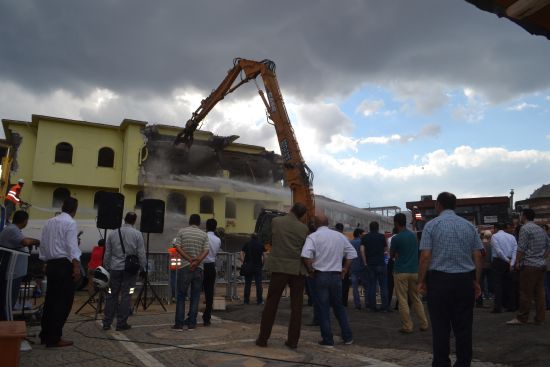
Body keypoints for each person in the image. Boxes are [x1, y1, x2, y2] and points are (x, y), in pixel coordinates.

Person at [417, 192, 483, 367]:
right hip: (464, 281)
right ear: (455, 206)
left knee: (440, 327)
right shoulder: (469, 226)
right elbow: (477, 255)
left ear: (438, 205)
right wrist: (476, 281)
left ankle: (441, 362)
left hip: (439, 281)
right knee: (464, 327)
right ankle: (463, 363)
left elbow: (425, 256)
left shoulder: (431, 226)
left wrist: (421, 281)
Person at [256, 202, 309, 349]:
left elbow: (271, 240)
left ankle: (263, 339)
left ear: (291, 210)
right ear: (302, 215)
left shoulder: (276, 221)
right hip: (297, 269)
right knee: (297, 306)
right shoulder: (304, 228)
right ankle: (293, 341)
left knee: (271, 304)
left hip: (279, 267)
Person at [301, 214, 356, 347]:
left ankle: (328, 340)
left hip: (320, 276)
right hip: (336, 276)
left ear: (315, 224)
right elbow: (352, 254)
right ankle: (347, 337)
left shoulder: (313, 237)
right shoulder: (339, 236)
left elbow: (305, 255)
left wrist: (310, 270)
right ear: (328, 222)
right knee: (339, 307)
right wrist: (345, 269)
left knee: (323, 308)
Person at [38, 197, 81, 348]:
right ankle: (54, 338)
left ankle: (45, 335)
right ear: (74, 209)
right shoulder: (70, 222)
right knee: (63, 303)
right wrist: (76, 267)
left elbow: (43, 244)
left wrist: (44, 262)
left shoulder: (49, 222)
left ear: (63, 206)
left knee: (50, 301)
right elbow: (71, 247)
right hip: (64, 265)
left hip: (51, 265)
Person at [102, 212, 146, 331]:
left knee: (111, 294)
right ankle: (121, 323)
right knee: (127, 295)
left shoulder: (113, 233)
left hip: (114, 269)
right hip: (130, 270)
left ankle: (107, 322)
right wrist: (143, 268)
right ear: (134, 221)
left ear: (124, 219)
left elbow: (107, 252)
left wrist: (106, 267)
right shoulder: (137, 234)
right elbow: (141, 253)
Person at [507, 209, 550, 326]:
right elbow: (548, 246)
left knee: (525, 292)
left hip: (529, 265)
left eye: (521, 215)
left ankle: (522, 318)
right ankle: (540, 318)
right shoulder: (541, 229)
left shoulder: (525, 229)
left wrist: (517, 262)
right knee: (540, 293)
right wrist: (541, 257)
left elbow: (521, 248)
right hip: (541, 265)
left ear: (524, 216)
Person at [390, 212, 428, 334]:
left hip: (401, 271)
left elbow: (391, 255)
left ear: (396, 223)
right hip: (414, 270)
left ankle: (407, 326)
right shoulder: (414, 236)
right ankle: (424, 323)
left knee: (402, 299)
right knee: (416, 298)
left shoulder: (396, 238)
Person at [0, 210, 40, 320]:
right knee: (8, 301)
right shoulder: (12, 229)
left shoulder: (14, 229)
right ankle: (6, 324)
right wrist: (36, 241)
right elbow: (25, 242)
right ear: (25, 221)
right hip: (11, 272)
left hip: (15, 272)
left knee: (9, 299)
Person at [172, 214, 209, 330]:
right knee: (195, 296)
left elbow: (177, 247)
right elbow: (206, 250)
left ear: (189, 221)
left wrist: (189, 260)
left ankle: (179, 323)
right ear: (198, 223)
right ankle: (192, 323)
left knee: (181, 295)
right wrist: (197, 262)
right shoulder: (204, 234)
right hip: (199, 269)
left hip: (184, 267)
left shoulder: (182, 231)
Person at [361, 221, 390, 312]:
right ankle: (384, 307)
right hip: (381, 264)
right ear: (377, 228)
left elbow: (362, 250)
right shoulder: (382, 237)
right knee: (383, 286)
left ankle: (372, 307)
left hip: (370, 264)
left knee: (372, 286)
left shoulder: (365, 237)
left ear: (370, 228)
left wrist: (365, 262)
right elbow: (386, 250)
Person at [490, 223, 517, 313]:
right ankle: (511, 305)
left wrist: (506, 260)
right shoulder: (512, 237)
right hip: (509, 261)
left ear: (496, 228)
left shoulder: (494, 236)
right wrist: (511, 262)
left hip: (498, 261)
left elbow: (498, 251)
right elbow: (515, 250)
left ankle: (498, 307)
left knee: (498, 284)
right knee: (510, 284)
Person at [202, 218, 221, 326]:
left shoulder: (203, 236)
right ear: (215, 227)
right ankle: (207, 318)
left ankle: (192, 316)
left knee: (195, 291)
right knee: (209, 293)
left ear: (206, 226)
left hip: (201, 265)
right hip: (211, 266)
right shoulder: (218, 240)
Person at [241, 233, 264, 305]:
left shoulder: (247, 244)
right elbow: (264, 255)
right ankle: (259, 301)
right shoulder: (260, 244)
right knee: (258, 284)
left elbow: (241, 252)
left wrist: (243, 261)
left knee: (247, 284)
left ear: (251, 237)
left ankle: (246, 301)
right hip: (257, 266)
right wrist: (262, 264)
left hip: (248, 266)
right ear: (257, 238)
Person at [349, 228, 367, 310]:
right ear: (360, 234)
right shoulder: (362, 242)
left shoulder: (350, 242)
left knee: (355, 287)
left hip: (353, 267)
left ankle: (357, 304)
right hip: (363, 267)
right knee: (366, 286)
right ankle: (367, 303)